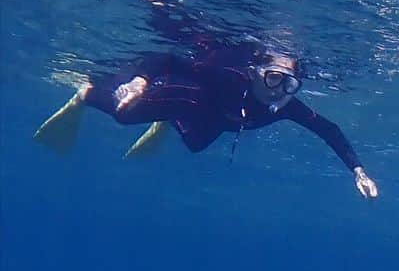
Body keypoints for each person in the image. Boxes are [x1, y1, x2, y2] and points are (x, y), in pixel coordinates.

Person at [34, 39, 379, 198]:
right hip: (191, 97)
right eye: (274, 78)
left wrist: (358, 170)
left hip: (218, 120)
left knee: (196, 145)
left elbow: (327, 128)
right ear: (257, 72)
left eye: (289, 83)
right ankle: (86, 92)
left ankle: (167, 124)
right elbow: (165, 58)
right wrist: (140, 82)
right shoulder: (227, 73)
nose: (280, 89)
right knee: (125, 115)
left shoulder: (285, 105)